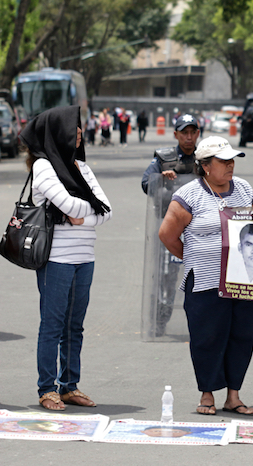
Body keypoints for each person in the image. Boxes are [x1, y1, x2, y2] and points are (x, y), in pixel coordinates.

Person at [158, 135, 253, 416]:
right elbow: (167, 235)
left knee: (240, 336)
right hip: (205, 279)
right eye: (223, 161)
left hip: (243, 281)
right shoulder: (189, 195)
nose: (230, 166)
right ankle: (207, 394)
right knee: (207, 337)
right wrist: (196, 255)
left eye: (232, 161)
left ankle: (234, 395)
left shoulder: (243, 189)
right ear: (205, 166)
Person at [19, 105, 112, 411]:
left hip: (85, 257)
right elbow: (71, 205)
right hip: (56, 258)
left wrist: (83, 215)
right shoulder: (43, 168)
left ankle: (69, 386)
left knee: (75, 326)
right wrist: (89, 210)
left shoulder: (82, 168)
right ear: (58, 132)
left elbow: (107, 210)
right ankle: (47, 389)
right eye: (74, 128)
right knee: (53, 324)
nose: (81, 133)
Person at [141, 114, 201, 337]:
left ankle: (199, 323)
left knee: (201, 278)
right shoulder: (163, 159)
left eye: (192, 132)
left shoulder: (205, 159)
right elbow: (146, 183)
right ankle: (160, 320)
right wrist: (161, 180)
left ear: (197, 134)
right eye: (183, 132)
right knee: (166, 278)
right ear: (175, 134)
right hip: (171, 229)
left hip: (199, 230)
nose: (188, 136)